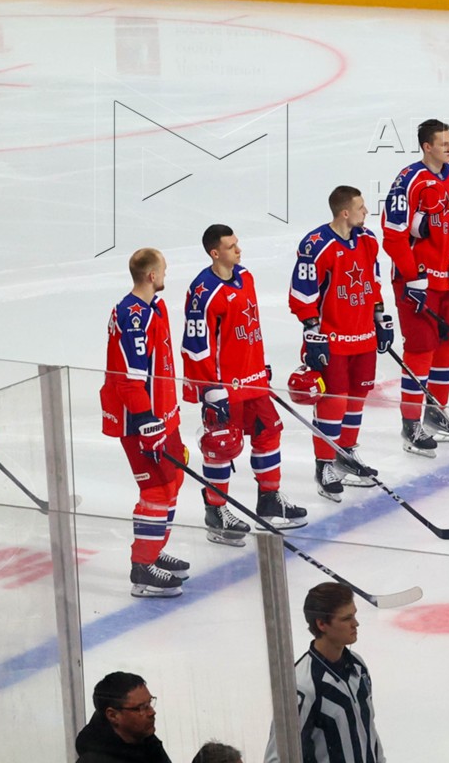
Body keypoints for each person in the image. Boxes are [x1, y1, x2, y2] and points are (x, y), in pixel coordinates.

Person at [182, 224, 305, 539]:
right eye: (231, 246)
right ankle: (215, 511)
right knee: (221, 446)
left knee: (269, 431)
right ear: (215, 253)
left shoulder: (245, 276)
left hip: (252, 380)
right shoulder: (203, 292)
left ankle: (269, 500)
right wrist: (210, 390)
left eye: (237, 243)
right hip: (223, 387)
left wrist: (260, 365)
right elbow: (195, 346)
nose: (239, 250)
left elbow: (250, 328)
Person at [383, 119, 449, 448]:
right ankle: (411, 424)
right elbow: (393, 236)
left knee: (447, 345)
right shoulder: (408, 180)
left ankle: (436, 412)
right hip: (416, 282)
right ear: (427, 146)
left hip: (447, 281)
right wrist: (412, 278)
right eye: (443, 143)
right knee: (420, 350)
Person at [288, 188, 390, 503]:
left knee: (357, 398)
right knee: (333, 402)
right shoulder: (316, 245)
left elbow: (373, 282)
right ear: (345, 212)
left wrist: (379, 317)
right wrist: (312, 331)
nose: (366, 212)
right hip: (332, 339)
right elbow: (302, 293)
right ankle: (325, 465)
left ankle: (346, 455)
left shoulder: (368, 239)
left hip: (363, 336)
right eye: (361, 207)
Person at [102, 249, 192, 598]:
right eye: (163, 269)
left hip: (162, 415)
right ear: (152, 275)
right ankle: (142, 568)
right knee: (155, 491)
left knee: (173, 479)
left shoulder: (155, 307)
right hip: (140, 421)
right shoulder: (133, 317)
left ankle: (153, 551)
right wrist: (144, 420)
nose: (166, 273)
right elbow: (129, 379)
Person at [262, 583, 381, 763]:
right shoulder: (302, 685)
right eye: (346, 618)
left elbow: (368, 731)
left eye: (354, 615)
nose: (355, 624)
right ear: (322, 624)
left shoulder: (358, 666)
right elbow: (276, 758)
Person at [76, 671, 173, 763]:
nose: (152, 712)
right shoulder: (94, 760)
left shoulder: (148, 742)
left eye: (150, 703)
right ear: (113, 716)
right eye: (141, 708)